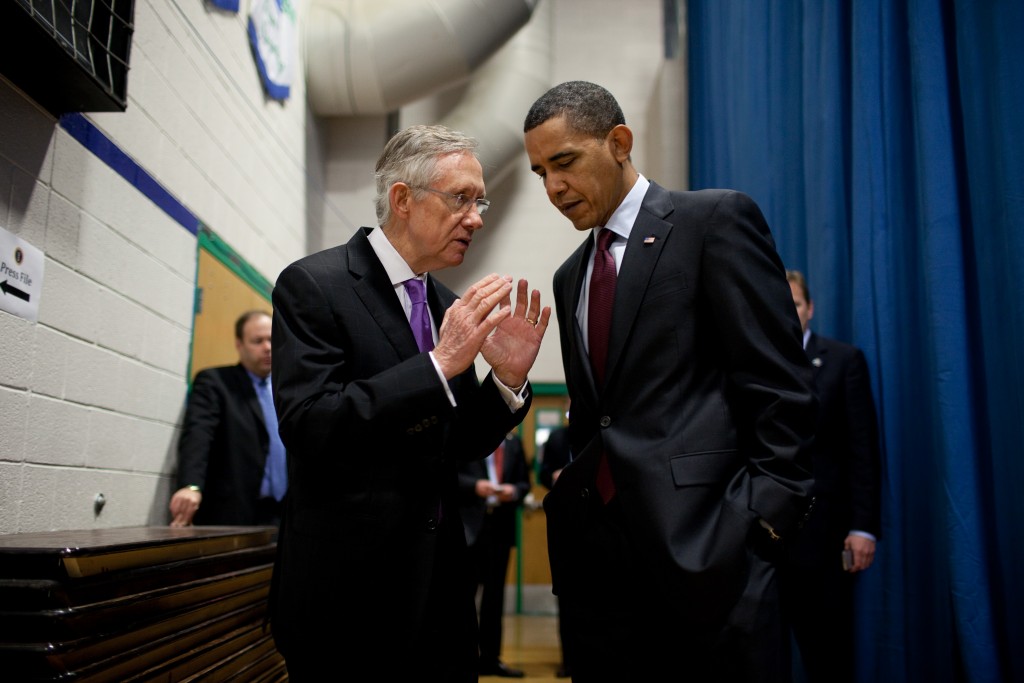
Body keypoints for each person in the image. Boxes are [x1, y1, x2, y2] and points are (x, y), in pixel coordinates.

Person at [523, 80, 817, 682]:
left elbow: (779, 384)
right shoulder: (567, 276)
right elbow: (595, 417)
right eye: (539, 173)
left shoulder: (714, 221)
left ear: (620, 141)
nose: (553, 188)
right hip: (600, 577)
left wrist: (760, 522)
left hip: (714, 555)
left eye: (565, 163)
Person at [268, 124, 551, 682]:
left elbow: (459, 444)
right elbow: (310, 425)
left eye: (481, 201)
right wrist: (438, 365)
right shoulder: (315, 284)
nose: (476, 218)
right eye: (461, 199)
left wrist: (506, 381)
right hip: (348, 597)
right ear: (402, 198)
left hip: (440, 593)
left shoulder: (446, 304)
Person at [781, 270, 882, 683]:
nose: (788, 312)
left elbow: (862, 449)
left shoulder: (843, 360)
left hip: (824, 536)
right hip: (760, 537)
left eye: (796, 303)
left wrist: (863, 527)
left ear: (810, 309)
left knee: (826, 650)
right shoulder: (745, 362)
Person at [169, 309, 288, 527]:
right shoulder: (216, 383)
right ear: (239, 345)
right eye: (257, 341)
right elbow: (198, 434)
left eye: (272, 339)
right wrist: (191, 485)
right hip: (235, 511)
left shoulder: (288, 390)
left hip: (285, 513)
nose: (268, 348)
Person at [457, 432, 531, 678]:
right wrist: (474, 486)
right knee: (463, 598)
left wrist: (514, 491)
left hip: (499, 528)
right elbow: (449, 476)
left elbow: (525, 483)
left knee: (494, 598)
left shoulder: (513, 442)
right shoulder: (467, 436)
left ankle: (491, 659)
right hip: (469, 529)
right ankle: (461, 659)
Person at [537, 419, 573, 679]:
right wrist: (553, 477)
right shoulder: (557, 438)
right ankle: (568, 660)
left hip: (601, 518)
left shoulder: (604, 429)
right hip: (567, 522)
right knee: (568, 595)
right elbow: (542, 473)